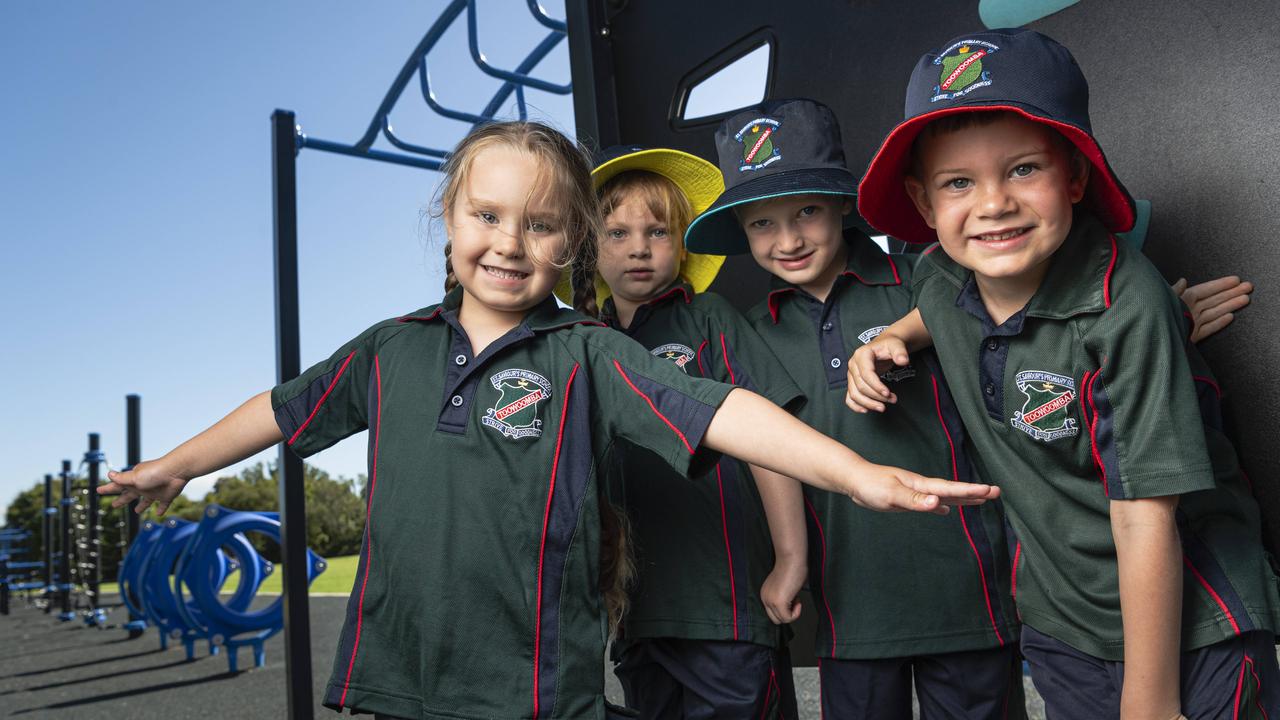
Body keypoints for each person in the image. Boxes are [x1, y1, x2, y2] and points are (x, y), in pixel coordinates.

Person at [99, 120, 998, 720]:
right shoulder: (388, 350)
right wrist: (178, 463)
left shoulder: (588, 353)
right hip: (399, 677)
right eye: (485, 215)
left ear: (570, 247)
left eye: (538, 225)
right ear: (446, 220)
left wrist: (860, 474)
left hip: (536, 687)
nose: (506, 242)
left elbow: (728, 413)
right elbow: (281, 407)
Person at [849, 28, 1280, 718]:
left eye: (1023, 169)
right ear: (925, 205)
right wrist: (886, 340)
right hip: (1062, 621)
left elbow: (1145, 520)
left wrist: (1150, 701)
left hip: (1194, 623)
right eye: (959, 182)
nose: (993, 203)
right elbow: (936, 306)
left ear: (1075, 175)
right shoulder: (938, 277)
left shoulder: (1128, 308)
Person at [685, 97, 1021, 720]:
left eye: (807, 211)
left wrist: (1167, 312)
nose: (787, 239)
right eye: (761, 223)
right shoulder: (748, 333)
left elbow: (1023, 314)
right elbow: (769, 452)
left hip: (969, 594)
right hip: (851, 606)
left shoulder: (923, 280)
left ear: (843, 203)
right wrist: (790, 560)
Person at [559, 145, 802, 719]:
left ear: (683, 244)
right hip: (636, 615)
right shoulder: (579, 342)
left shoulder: (709, 319)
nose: (639, 248)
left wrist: (791, 557)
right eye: (616, 233)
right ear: (590, 248)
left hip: (725, 607)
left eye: (657, 232)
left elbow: (772, 442)